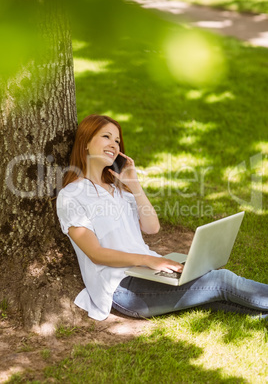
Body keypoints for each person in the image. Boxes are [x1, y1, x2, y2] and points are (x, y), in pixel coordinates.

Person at [56, 114, 268, 321]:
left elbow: (152, 228)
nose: (114, 144)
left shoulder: (119, 190)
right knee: (221, 280)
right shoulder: (71, 196)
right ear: (85, 142)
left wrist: (134, 185)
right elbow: (96, 253)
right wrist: (149, 260)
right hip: (122, 287)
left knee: (213, 291)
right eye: (106, 137)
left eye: (117, 140)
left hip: (145, 272)